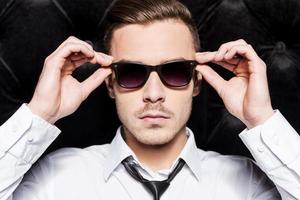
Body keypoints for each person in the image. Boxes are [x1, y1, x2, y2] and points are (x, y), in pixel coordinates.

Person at [0, 0, 299, 199]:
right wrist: (38, 115)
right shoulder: (54, 179)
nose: (153, 94)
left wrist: (262, 119)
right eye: (131, 73)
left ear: (197, 82)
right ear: (110, 83)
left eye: (176, 72)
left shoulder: (250, 184)